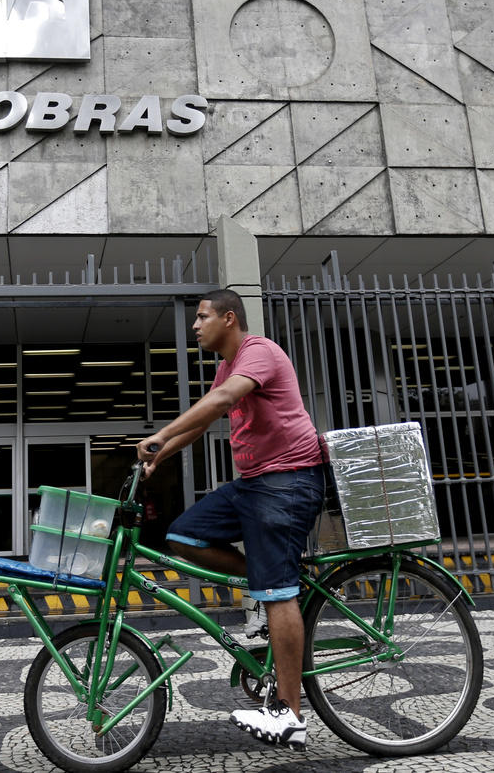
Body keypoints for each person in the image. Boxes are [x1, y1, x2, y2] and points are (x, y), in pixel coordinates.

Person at [137, 289, 325, 752]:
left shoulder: (258, 352)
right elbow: (202, 424)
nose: (195, 326)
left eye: (202, 318)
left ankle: (289, 714)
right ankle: (270, 575)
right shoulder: (227, 365)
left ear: (229, 317)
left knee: (277, 591)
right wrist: (162, 453)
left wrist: (159, 433)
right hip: (254, 484)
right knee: (183, 535)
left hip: (289, 480)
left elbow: (222, 401)